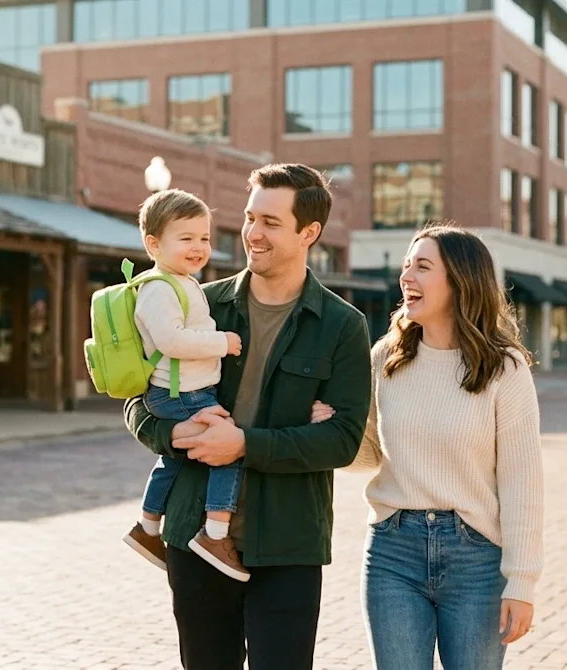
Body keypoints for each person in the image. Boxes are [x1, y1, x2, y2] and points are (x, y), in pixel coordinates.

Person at [124, 163, 372, 670]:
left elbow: (343, 440)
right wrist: (176, 433)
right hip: (194, 537)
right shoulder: (199, 304)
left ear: (310, 233)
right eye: (249, 217)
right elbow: (137, 400)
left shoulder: (343, 326)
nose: (253, 234)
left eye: (271, 223)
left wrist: (245, 445)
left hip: (289, 544)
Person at [347, 225, 544, 670]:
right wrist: (333, 424)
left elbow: (522, 482)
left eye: (422, 266)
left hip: (476, 559)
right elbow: (369, 455)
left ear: (459, 280)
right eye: (405, 266)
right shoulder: (386, 358)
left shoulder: (504, 368)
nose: (406, 276)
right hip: (393, 551)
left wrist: (522, 583)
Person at [121, 189, 249, 581]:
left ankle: (147, 527)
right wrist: (222, 342)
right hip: (181, 393)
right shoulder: (159, 288)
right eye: (186, 238)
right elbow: (171, 341)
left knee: (173, 459)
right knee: (229, 450)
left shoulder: (181, 281)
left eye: (205, 238)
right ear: (153, 244)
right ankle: (214, 534)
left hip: (185, 390)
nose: (198, 247)